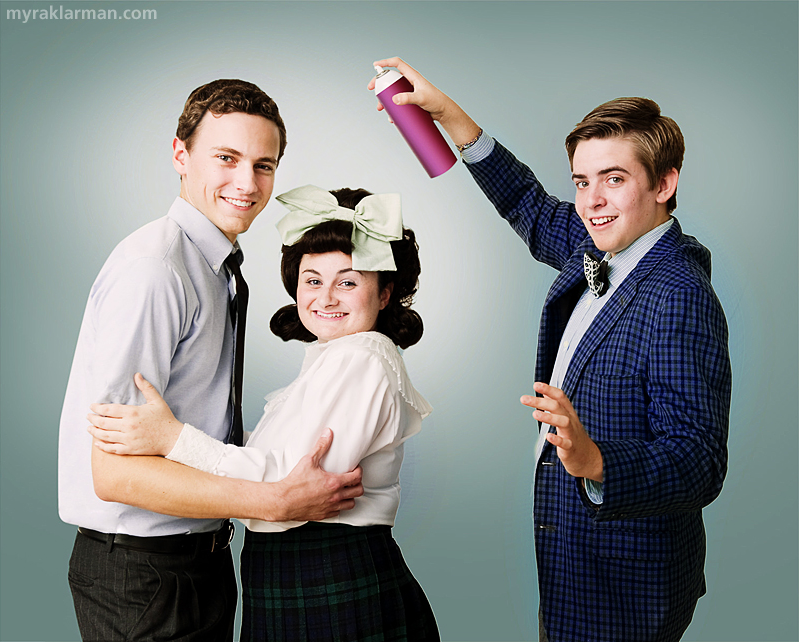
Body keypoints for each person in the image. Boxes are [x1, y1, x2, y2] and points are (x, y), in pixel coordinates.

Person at [368, 58, 732, 642]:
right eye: (582, 181)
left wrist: (596, 463)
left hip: (625, 591)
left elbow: (700, 460)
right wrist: (448, 114)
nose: (592, 201)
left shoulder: (678, 296)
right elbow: (529, 206)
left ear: (664, 184)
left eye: (614, 178)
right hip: (572, 566)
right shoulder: (606, 243)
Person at [59, 81, 363, 642]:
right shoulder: (157, 269)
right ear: (180, 153)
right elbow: (114, 472)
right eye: (226, 158)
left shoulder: (216, 265)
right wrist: (275, 499)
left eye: (263, 165)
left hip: (201, 558)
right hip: (143, 573)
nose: (247, 184)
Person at [90, 185, 439, 641]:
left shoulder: (363, 357)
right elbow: (275, 459)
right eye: (312, 280)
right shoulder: (333, 357)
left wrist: (173, 440)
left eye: (348, 281)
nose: (326, 297)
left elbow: (290, 484)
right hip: (297, 578)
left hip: (331, 573)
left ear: (385, 293)